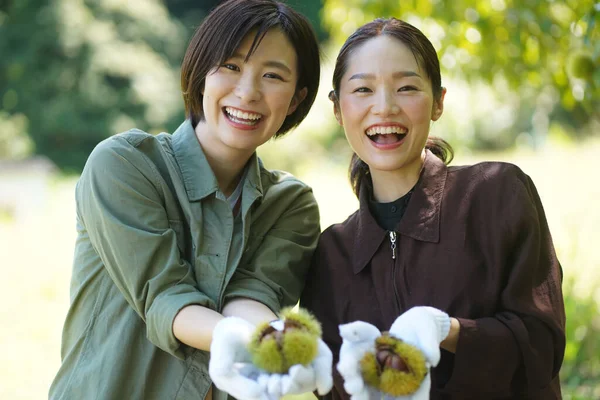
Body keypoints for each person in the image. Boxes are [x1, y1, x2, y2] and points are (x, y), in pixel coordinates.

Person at [49, 1, 326, 399]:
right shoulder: (124, 165)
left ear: (296, 100)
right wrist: (244, 340)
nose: (247, 92)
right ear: (201, 75)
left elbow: (252, 298)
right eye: (231, 66)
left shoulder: (289, 204)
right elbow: (166, 297)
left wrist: (279, 343)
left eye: (272, 75)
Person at [300, 17, 566, 399]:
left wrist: (449, 331)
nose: (384, 107)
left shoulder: (497, 194)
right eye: (363, 90)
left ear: (438, 101)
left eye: (406, 87)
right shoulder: (332, 254)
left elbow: (542, 347)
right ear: (338, 109)